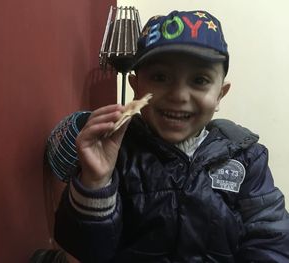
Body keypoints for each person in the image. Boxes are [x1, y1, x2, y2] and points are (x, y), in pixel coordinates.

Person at [48, 10, 289, 262]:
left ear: (220, 95)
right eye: (160, 77)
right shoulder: (118, 155)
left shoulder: (245, 157)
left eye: (199, 80)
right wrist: (95, 181)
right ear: (136, 87)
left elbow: (271, 239)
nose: (179, 95)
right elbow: (86, 251)